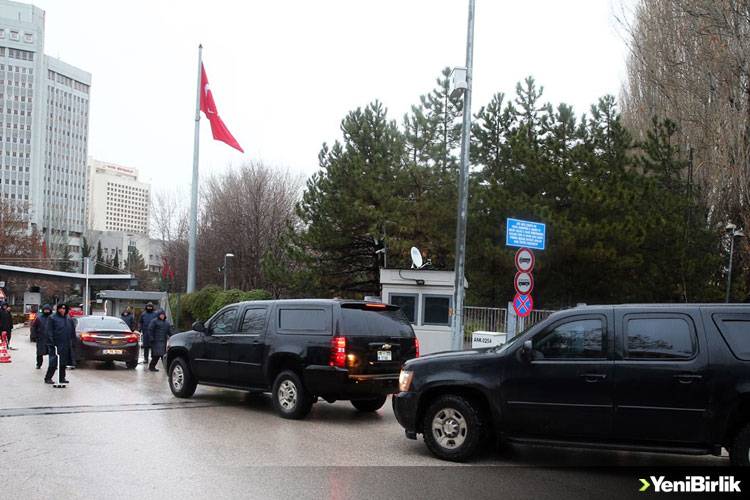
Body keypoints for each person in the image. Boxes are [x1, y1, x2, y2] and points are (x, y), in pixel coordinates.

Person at [45, 303, 74, 384]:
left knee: (63, 362)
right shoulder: (52, 318)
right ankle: (48, 377)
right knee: (53, 362)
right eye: (60, 309)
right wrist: (51, 343)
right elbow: (49, 331)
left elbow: (72, 331)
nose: (62, 310)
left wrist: (72, 342)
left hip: (65, 344)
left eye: (64, 309)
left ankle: (62, 377)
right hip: (55, 344)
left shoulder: (68, 319)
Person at [30, 303, 52, 369]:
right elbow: (34, 327)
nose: (46, 311)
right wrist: (33, 335)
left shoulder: (52, 318)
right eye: (45, 310)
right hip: (41, 338)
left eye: (48, 310)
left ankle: (53, 365)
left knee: (52, 353)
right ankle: (39, 364)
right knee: (39, 353)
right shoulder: (39, 318)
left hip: (50, 338)